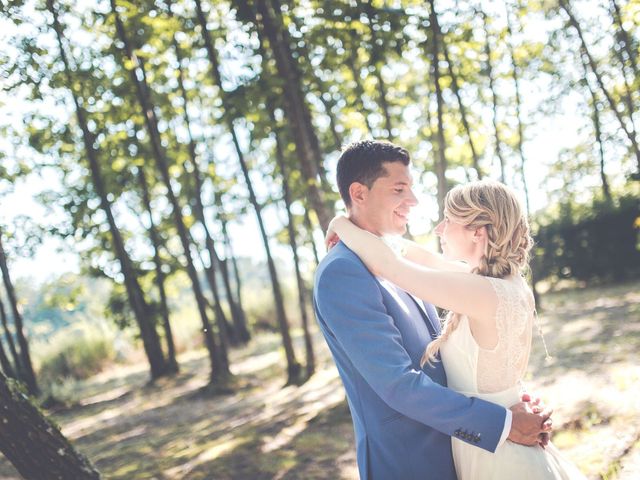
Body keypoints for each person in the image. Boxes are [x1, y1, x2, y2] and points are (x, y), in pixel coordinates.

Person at [313, 140, 553, 480]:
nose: (413, 201)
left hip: (470, 449)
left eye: (411, 188)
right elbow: (397, 384)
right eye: (399, 189)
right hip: (411, 463)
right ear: (359, 193)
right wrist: (503, 421)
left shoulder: (403, 264)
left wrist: (510, 401)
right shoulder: (343, 272)